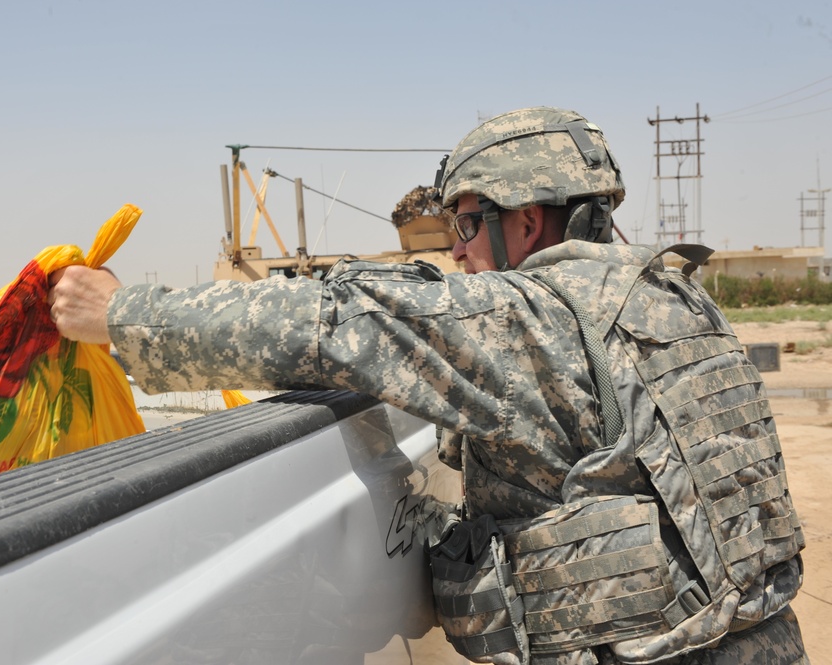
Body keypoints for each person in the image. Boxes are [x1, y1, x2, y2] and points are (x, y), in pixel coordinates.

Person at [48, 107, 809, 664]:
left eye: (469, 225)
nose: (460, 249)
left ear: (531, 222)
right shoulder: (682, 300)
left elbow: (330, 322)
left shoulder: (529, 318)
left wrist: (122, 313)